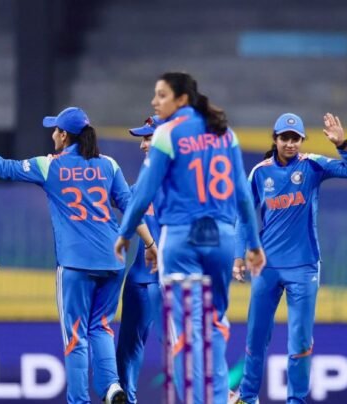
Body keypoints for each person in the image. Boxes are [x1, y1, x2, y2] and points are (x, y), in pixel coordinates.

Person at [0, 109, 157, 404]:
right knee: (101, 327)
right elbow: (130, 207)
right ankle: (111, 387)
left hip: (75, 262)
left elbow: (4, 168)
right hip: (113, 259)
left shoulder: (50, 165)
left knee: (75, 336)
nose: (52, 134)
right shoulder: (109, 164)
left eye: (55, 129)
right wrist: (150, 244)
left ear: (64, 135)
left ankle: (79, 400)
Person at [114, 72, 265, 404]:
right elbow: (243, 194)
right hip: (221, 237)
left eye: (161, 95)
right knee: (215, 324)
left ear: (181, 99)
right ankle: (221, 397)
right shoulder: (225, 134)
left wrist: (125, 233)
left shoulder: (168, 134)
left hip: (182, 239)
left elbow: (142, 194)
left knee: (183, 333)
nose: (155, 101)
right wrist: (253, 244)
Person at [233, 112, 347, 404]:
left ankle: (296, 400)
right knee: (256, 336)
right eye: (285, 138)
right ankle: (248, 397)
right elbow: (244, 217)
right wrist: (239, 256)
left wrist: (342, 145)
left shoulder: (312, 165)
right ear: (275, 139)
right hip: (266, 267)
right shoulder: (260, 172)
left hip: (304, 267)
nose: (290, 144)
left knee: (300, 340)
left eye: (295, 139)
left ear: (302, 140)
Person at [116, 115, 165, 404]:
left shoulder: (185, 182)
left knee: (181, 350)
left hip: (171, 280)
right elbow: (119, 198)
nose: (142, 145)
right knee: (127, 350)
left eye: (148, 138)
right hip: (139, 277)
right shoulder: (144, 180)